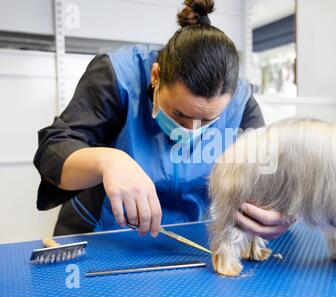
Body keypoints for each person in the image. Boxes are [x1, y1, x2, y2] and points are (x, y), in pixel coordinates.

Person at [33, 0, 291, 239]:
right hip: (104, 236)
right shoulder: (118, 76)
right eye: (180, 113)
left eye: (209, 120)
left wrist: (280, 211)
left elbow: (268, 177)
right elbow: (53, 153)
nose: (190, 129)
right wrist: (108, 161)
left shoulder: (241, 100)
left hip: (189, 238)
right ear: (156, 76)